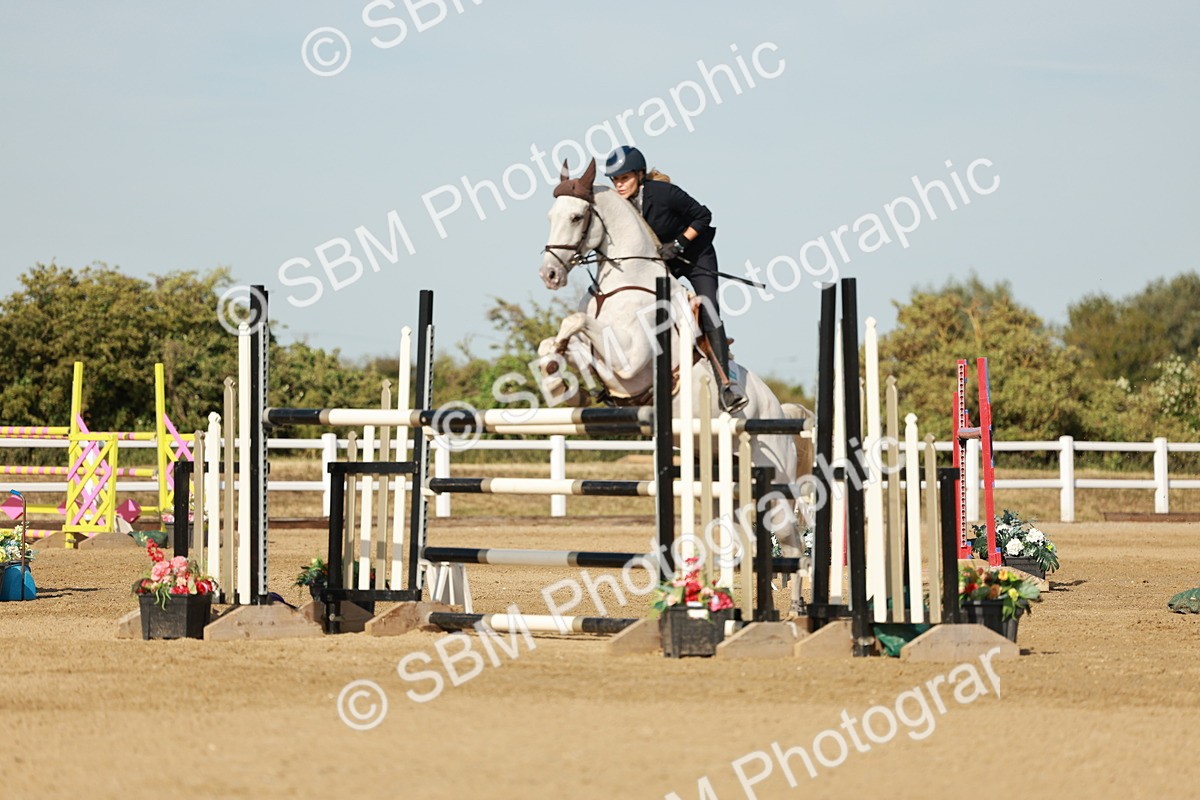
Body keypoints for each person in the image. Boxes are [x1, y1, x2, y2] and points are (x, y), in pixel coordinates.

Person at [604, 145, 749, 413]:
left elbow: (703, 216)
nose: (619, 185)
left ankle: (727, 384)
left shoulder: (663, 193)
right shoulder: (621, 204)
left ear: (639, 174)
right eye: (615, 180)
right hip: (664, 262)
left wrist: (680, 243)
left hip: (696, 256)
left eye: (624, 178)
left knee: (708, 308)